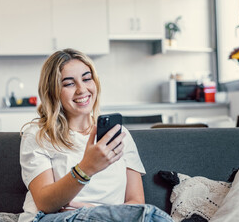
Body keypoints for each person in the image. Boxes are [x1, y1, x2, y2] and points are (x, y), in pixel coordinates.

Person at [18, 48, 173, 222]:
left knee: (145, 215)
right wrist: (86, 168)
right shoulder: (38, 135)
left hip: (108, 218)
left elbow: (136, 203)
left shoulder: (120, 135)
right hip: (54, 218)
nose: (82, 89)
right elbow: (45, 203)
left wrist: (93, 210)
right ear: (52, 91)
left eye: (86, 79)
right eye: (69, 83)